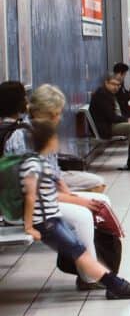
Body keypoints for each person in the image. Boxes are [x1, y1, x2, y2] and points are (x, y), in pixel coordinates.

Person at [20, 119, 130, 299]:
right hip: (46, 223)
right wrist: (29, 226)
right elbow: (31, 197)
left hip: (52, 219)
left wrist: (72, 198)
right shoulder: (32, 166)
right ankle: (117, 286)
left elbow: (53, 189)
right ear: (48, 141)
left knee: (81, 253)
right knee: (81, 254)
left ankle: (115, 285)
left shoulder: (41, 163)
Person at [3, 84, 113, 290]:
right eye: (56, 114)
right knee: (82, 216)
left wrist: (69, 192)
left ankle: (92, 265)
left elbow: (52, 175)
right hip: (28, 208)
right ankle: (90, 276)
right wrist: (77, 200)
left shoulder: (41, 131)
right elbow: (33, 191)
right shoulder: (23, 138)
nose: (60, 118)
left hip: (41, 200)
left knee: (102, 201)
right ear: (45, 113)